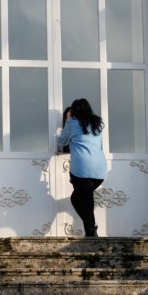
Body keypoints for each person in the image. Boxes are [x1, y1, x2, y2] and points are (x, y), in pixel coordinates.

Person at [56, 98, 107, 238]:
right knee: (77, 199)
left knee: (86, 202)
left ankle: (91, 234)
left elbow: (61, 141)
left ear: (73, 111)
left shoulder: (72, 122)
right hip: (100, 169)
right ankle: (91, 228)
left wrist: (67, 119)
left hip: (82, 168)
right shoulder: (98, 123)